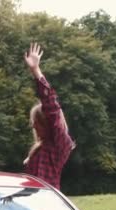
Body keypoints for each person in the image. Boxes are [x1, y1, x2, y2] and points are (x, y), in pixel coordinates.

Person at [22, 42, 75, 190]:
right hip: (32, 207)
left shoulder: (60, 145)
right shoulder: (38, 150)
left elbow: (51, 106)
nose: (32, 125)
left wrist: (35, 70)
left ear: (46, 122)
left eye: (35, 121)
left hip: (47, 206)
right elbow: (30, 188)